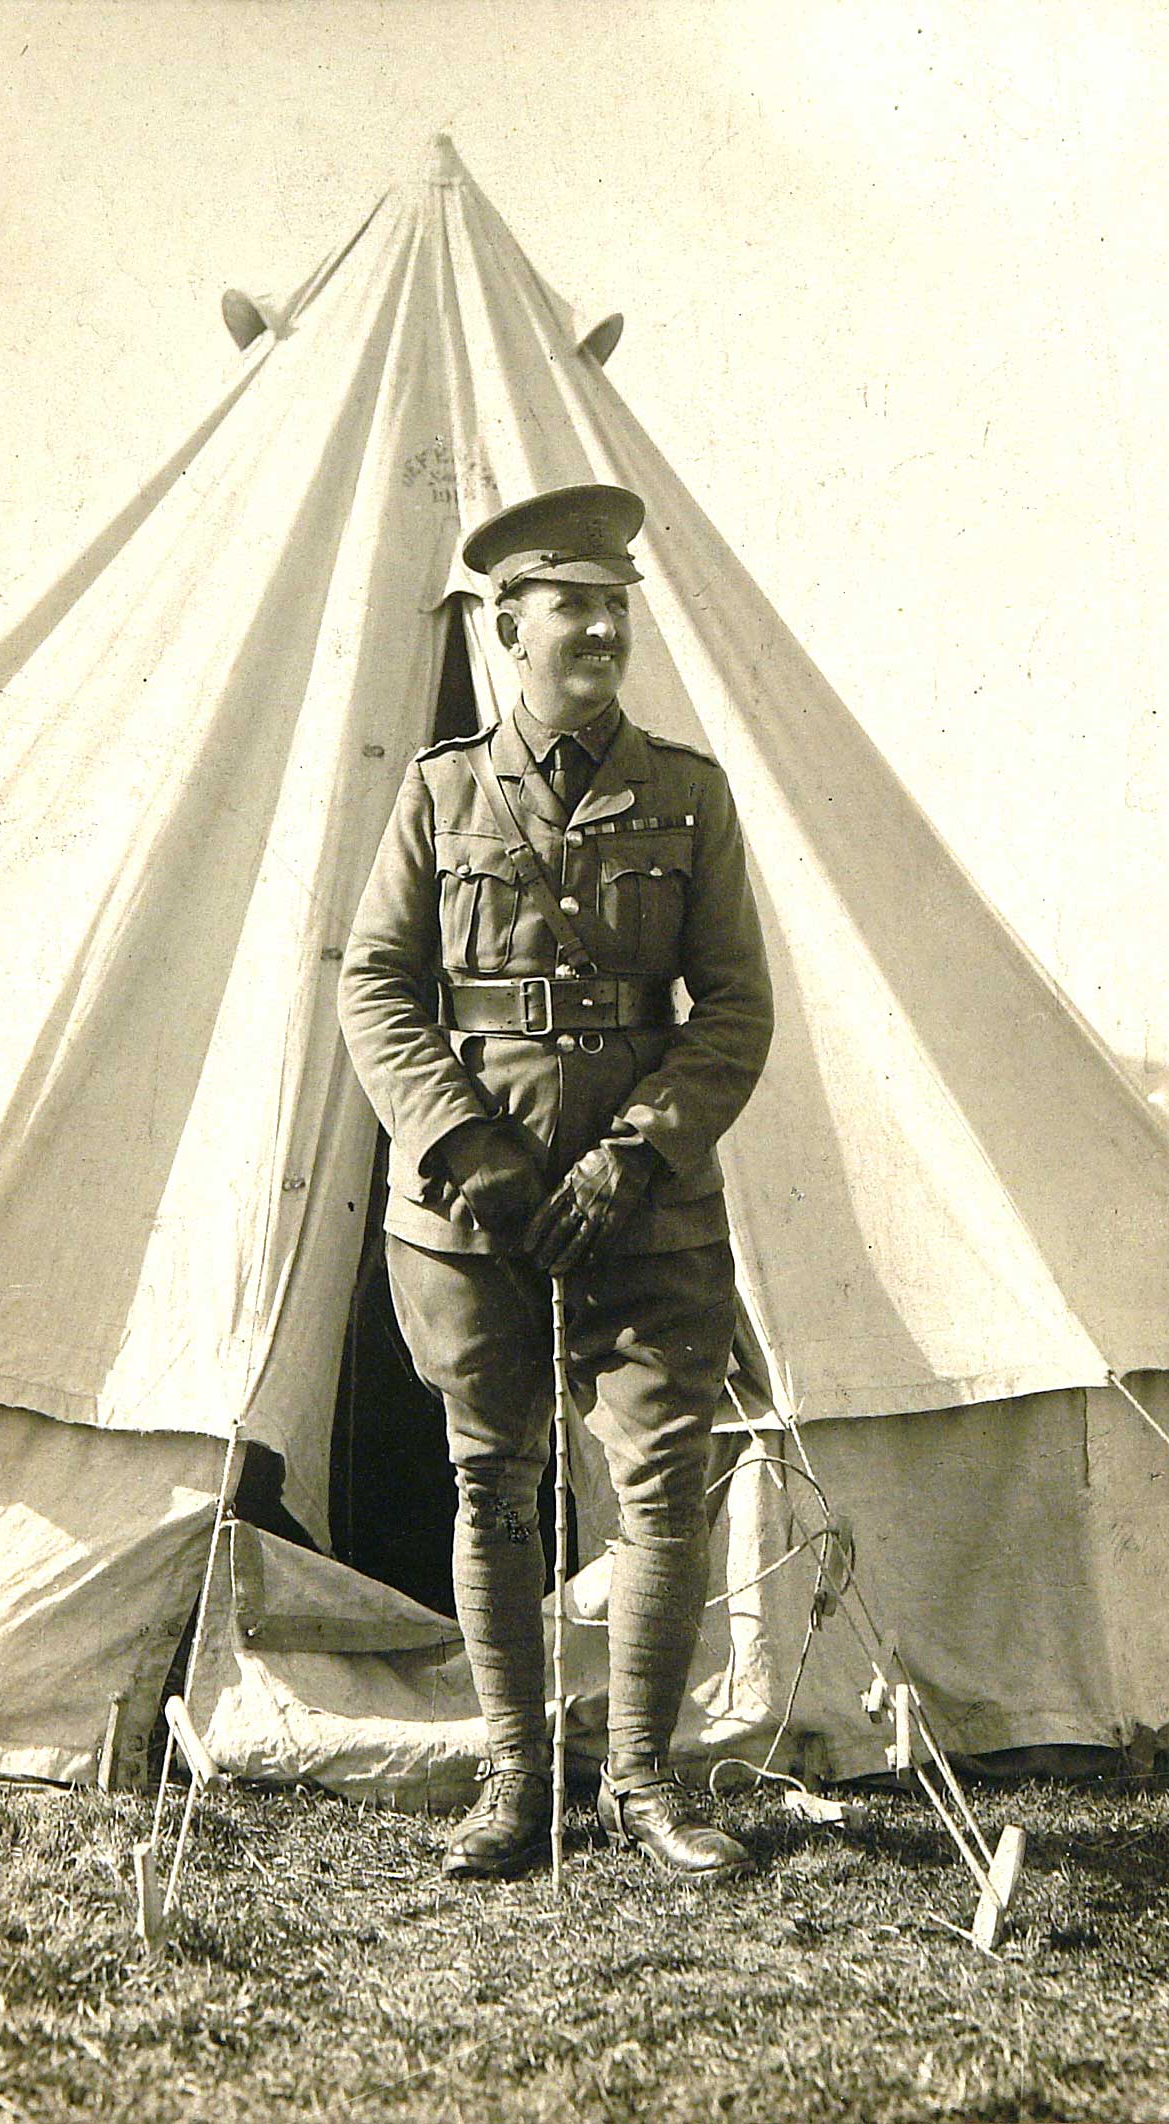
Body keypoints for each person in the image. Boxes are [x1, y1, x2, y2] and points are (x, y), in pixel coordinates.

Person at [338, 484, 774, 1881]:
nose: (596, 630)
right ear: (506, 629)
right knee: (493, 1487)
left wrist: (636, 1151)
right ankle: (512, 1786)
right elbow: (376, 990)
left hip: (646, 1209)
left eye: (613, 607)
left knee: (659, 1487)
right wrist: (470, 1152)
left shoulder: (688, 793)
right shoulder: (438, 789)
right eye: (568, 608)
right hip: (468, 1215)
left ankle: (643, 1783)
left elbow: (733, 1010)